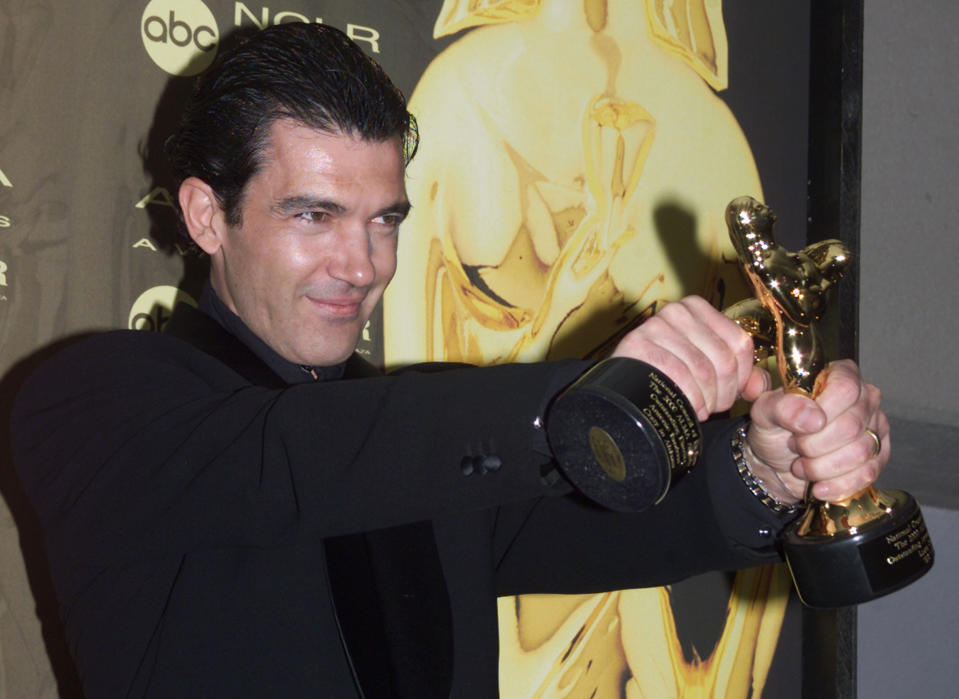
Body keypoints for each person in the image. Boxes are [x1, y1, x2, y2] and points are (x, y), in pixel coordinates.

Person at [10, 22, 888, 698]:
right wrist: (591, 398)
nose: (361, 266)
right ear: (207, 217)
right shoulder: (93, 399)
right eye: (313, 215)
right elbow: (295, 457)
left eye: (383, 220)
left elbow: (598, 518)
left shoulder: (419, 441)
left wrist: (767, 468)